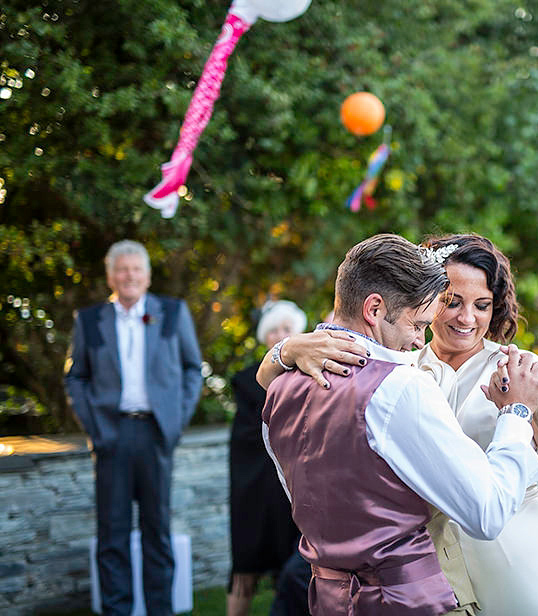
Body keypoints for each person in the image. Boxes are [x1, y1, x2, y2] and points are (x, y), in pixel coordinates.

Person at [262, 233, 538, 616]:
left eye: (482, 305)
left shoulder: (519, 370)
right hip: (438, 567)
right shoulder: (396, 366)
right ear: (426, 297)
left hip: (517, 550)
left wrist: (535, 407)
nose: (467, 318)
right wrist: (288, 348)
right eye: (451, 302)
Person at [64, 240, 203, 616]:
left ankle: (161, 610)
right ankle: (117, 610)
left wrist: (176, 420)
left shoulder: (172, 313)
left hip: (157, 433)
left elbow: (193, 368)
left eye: (136, 269)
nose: (129, 276)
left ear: (147, 275)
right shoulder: (90, 320)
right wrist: (95, 429)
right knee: (113, 534)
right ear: (111, 275)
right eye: (121, 270)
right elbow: (76, 377)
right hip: (112, 435)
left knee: (158, 531)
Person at [228, 299, 366, 615]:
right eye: (273, 329)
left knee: (298, 565)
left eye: (286, 328)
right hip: (261, 482)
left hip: (308, 481)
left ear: (299, 331)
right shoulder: (248, 381)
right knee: (253, 563)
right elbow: (248, 440)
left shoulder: (315, 371)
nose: (279, 334)